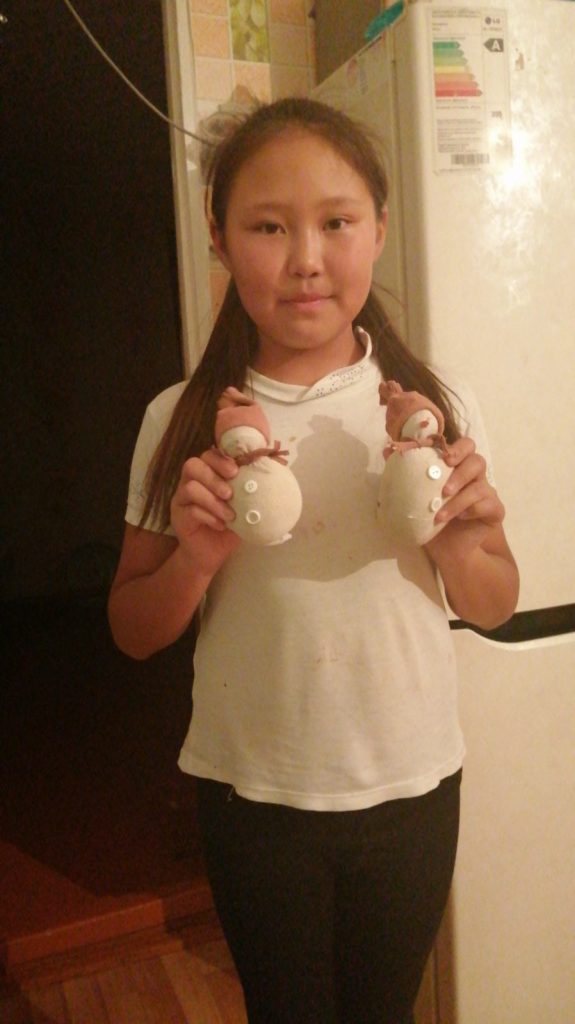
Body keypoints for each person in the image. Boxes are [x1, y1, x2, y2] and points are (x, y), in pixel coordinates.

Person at [108, 98, 519, 1024]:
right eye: (268, 227)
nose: (305, 258)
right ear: (219, 238)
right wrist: (196, 561)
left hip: (412, 785)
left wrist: (458, 543)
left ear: (378, 229)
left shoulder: (437, 405)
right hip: (252, 796)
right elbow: (132, 629)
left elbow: (495, 603)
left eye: (336, 222)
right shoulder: (180, 418)